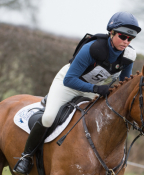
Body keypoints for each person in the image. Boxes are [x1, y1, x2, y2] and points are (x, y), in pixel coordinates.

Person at [13, 11, 141, 174]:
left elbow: (125, 84)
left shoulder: (128, 55)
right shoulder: (92, 48)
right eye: (123, 36)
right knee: (48, 117)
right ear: (112, 32)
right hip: (68, 84)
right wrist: (96, 89)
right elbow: (69, 79)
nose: (126, 42)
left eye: (130, 39)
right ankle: (26, 156)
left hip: (92, 88)